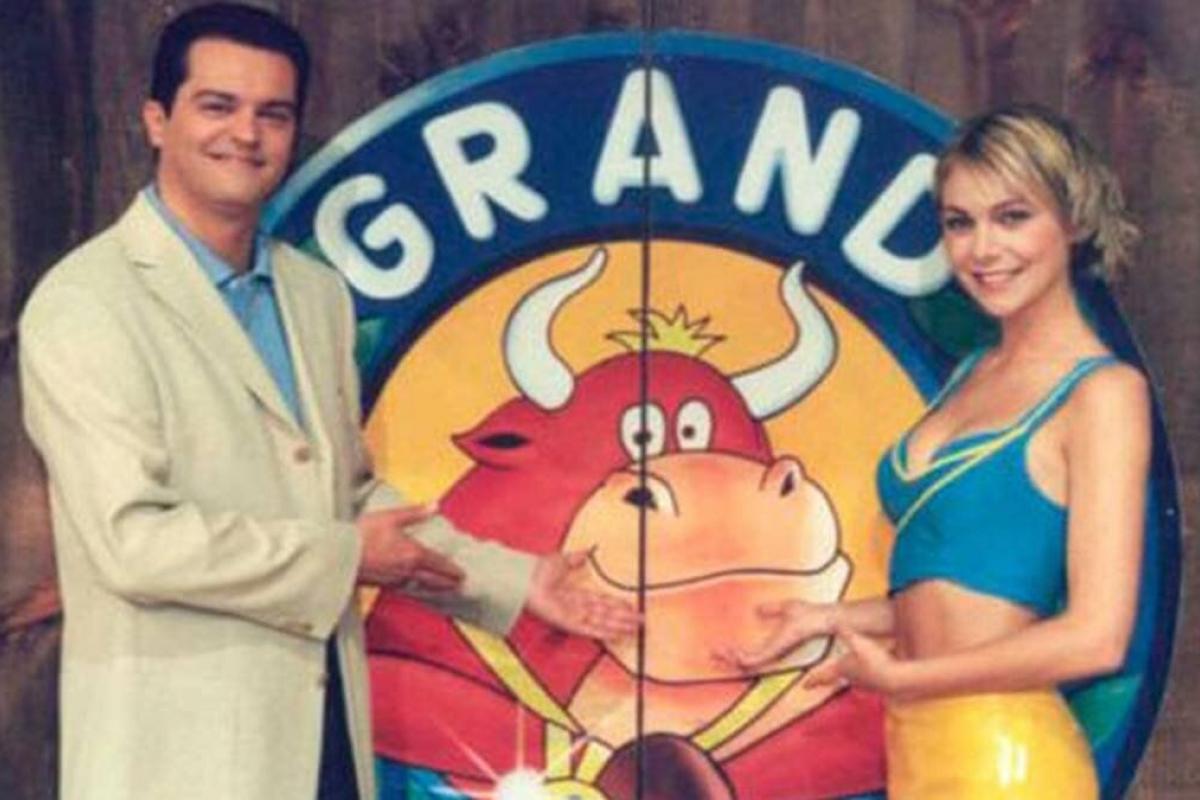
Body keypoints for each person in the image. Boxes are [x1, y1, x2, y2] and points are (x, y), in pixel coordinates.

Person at [17, 4, 637, 800]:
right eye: (218, 106)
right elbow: (135, 543)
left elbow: (346, 493)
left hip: (322, 741)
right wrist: (347, 557)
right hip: (180, 761)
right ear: (156, 120)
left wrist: (516, 581)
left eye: (272, 114)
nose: (246, 134)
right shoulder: (87, 303)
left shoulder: (314, 294)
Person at [725, 104, 1150, 798]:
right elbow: (964, 600)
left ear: (1073, 221)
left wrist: (904, 678)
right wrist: (828, 619)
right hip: (918, 747)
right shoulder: (972, 372)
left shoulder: (1103, 393)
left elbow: (1095, 637)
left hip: (1009, 757)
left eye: (1012, 217)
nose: (982, 249)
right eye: (960, 222)